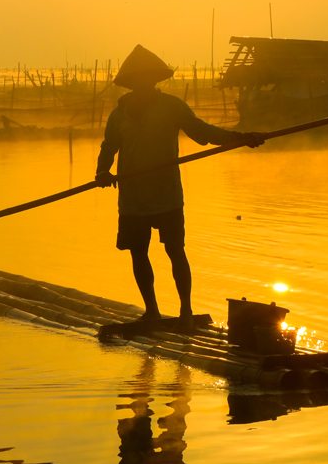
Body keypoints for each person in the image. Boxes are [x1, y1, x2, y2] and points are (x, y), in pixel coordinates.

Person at [95, 45, 265, 324]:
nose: (143, 84)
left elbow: (202, 132)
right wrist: (102, 172)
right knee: (138, 253)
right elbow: (109, 147)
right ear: (131, 83)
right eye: (138, 80)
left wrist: (240, 137)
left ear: (155, 79)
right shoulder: (119, 114)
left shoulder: (171, 107)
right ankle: (152, 311)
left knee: (175, 251)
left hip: (167, 194)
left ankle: (186, 311)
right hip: (133, 197)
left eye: (147, 78)